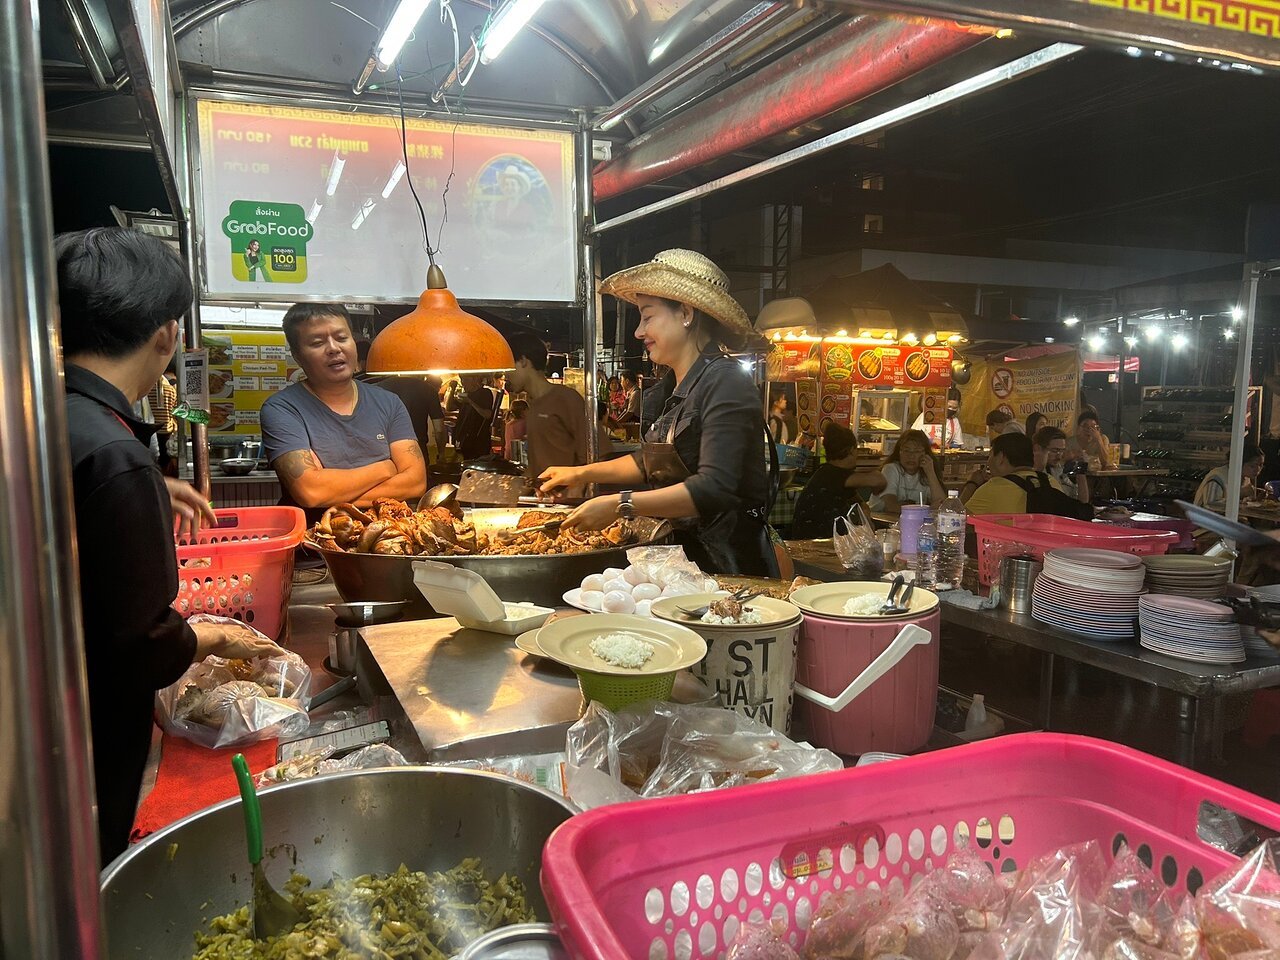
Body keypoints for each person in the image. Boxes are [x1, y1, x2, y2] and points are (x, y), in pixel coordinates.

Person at [56, 228, 283, 864]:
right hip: (88, 743)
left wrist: (149, 482)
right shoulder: (112, 452)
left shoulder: (44, 415)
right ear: (166, 333)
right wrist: (215, 635)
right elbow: (141, 649)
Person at [539, 249, 776, 576]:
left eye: (647, 316)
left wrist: (619, 504)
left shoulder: (727, 382)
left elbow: (714, 488)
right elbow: (646, 462)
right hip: (682, 561)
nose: (638, 332)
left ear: (686, 313)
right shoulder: (667, 391)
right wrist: (581, 473)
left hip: (730, 568)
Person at [260, 303, 426, 522]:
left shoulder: (389, 403)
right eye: (317, 342)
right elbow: (311, 492)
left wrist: (333, 491)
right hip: (315, 548)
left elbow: (415, 482)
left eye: (341, 338)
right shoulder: (282, 409)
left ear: (353, 343)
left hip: (389, 541)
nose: (333, 348)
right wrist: (385, 468)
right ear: (298, 356)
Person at [507, 332, 589, 485]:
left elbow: (595, 455)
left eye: (509, 365)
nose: (506, 374)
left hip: (569, 503)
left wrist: (576, 490)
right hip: (544, 500)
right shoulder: (533, 407)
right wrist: (511, 494)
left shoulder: (566, 398)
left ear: (524, 361)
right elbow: (536, 467)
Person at [790, 423, 887, 538]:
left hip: (816, 541)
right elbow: (878, 480)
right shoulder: (833, 474)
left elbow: (858, 502)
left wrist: (864, 510)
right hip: (815, 544)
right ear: (851, 450)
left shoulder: (826, 473)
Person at [355, 340, 446, 463]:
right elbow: (439, 429)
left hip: (386, 454)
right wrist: (441, 453)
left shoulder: (379, 387)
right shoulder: (428, 390)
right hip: (418, 453)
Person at [963, 432, 1069, 515]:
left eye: (990, 455)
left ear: (1000, 458)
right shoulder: (1051, 482)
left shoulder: (993, 488)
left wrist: (971, 484)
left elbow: (955, 522)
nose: (988, 462)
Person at [869, 429, 946, 514]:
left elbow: (942, 504)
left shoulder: (925, 473)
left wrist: (930, 472)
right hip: (880, 520)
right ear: (899, 452)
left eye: (916, 451)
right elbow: (890, 506)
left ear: (925, 454)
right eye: (906, 450)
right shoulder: (891, 469)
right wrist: (928, 510)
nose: (911, 456)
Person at [1194, 441, 1265, 510]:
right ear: (1239, 463)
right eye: (1252, 466)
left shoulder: (1245, 477)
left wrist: (1254, 498)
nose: (1257, 469)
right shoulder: (1217, 476)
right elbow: (1211, 504)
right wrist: (1242, 500)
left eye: (1261, 465)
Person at [1033, 425, 1091, 504]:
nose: (1059, 455)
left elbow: (1081, 502)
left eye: (1062, 451)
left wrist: (1081, 471)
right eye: (1054, 450)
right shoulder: (1032, 474)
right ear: (1038, 449)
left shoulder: (1058, 469)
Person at [451, 373, 498, 461]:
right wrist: (452, 389)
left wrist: (470, 402)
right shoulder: (467, 395)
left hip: (477, 443)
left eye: (465, 379)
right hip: (464, 442)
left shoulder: (484, 393)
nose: (463, 383)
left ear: (474, 379)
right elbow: (450, 407)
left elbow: (487, 415)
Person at [147, 370, 179, 476]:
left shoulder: (146, 389)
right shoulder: (170, 389)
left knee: (155, 460)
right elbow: (175, 411)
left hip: (151, 430)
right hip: (167, 431)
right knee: (165, 461)